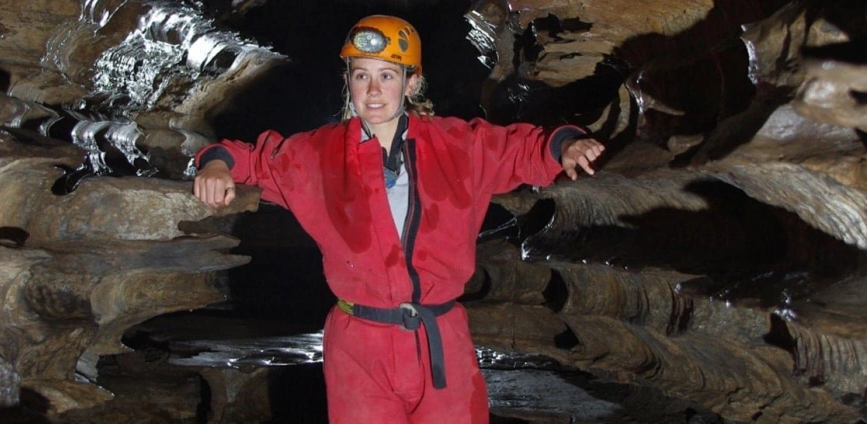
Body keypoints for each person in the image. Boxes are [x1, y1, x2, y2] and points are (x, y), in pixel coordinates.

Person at [192, 14, 604, 424]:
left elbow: (522, 149)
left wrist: (565, 144)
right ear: (348, 81)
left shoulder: (457, 144)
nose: (373, 91)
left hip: (441, 337)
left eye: (387, 76)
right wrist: (214, 165)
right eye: (361, 76)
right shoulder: (316, 156)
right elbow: (252, 157)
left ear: (411, 82)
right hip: (360, 345)